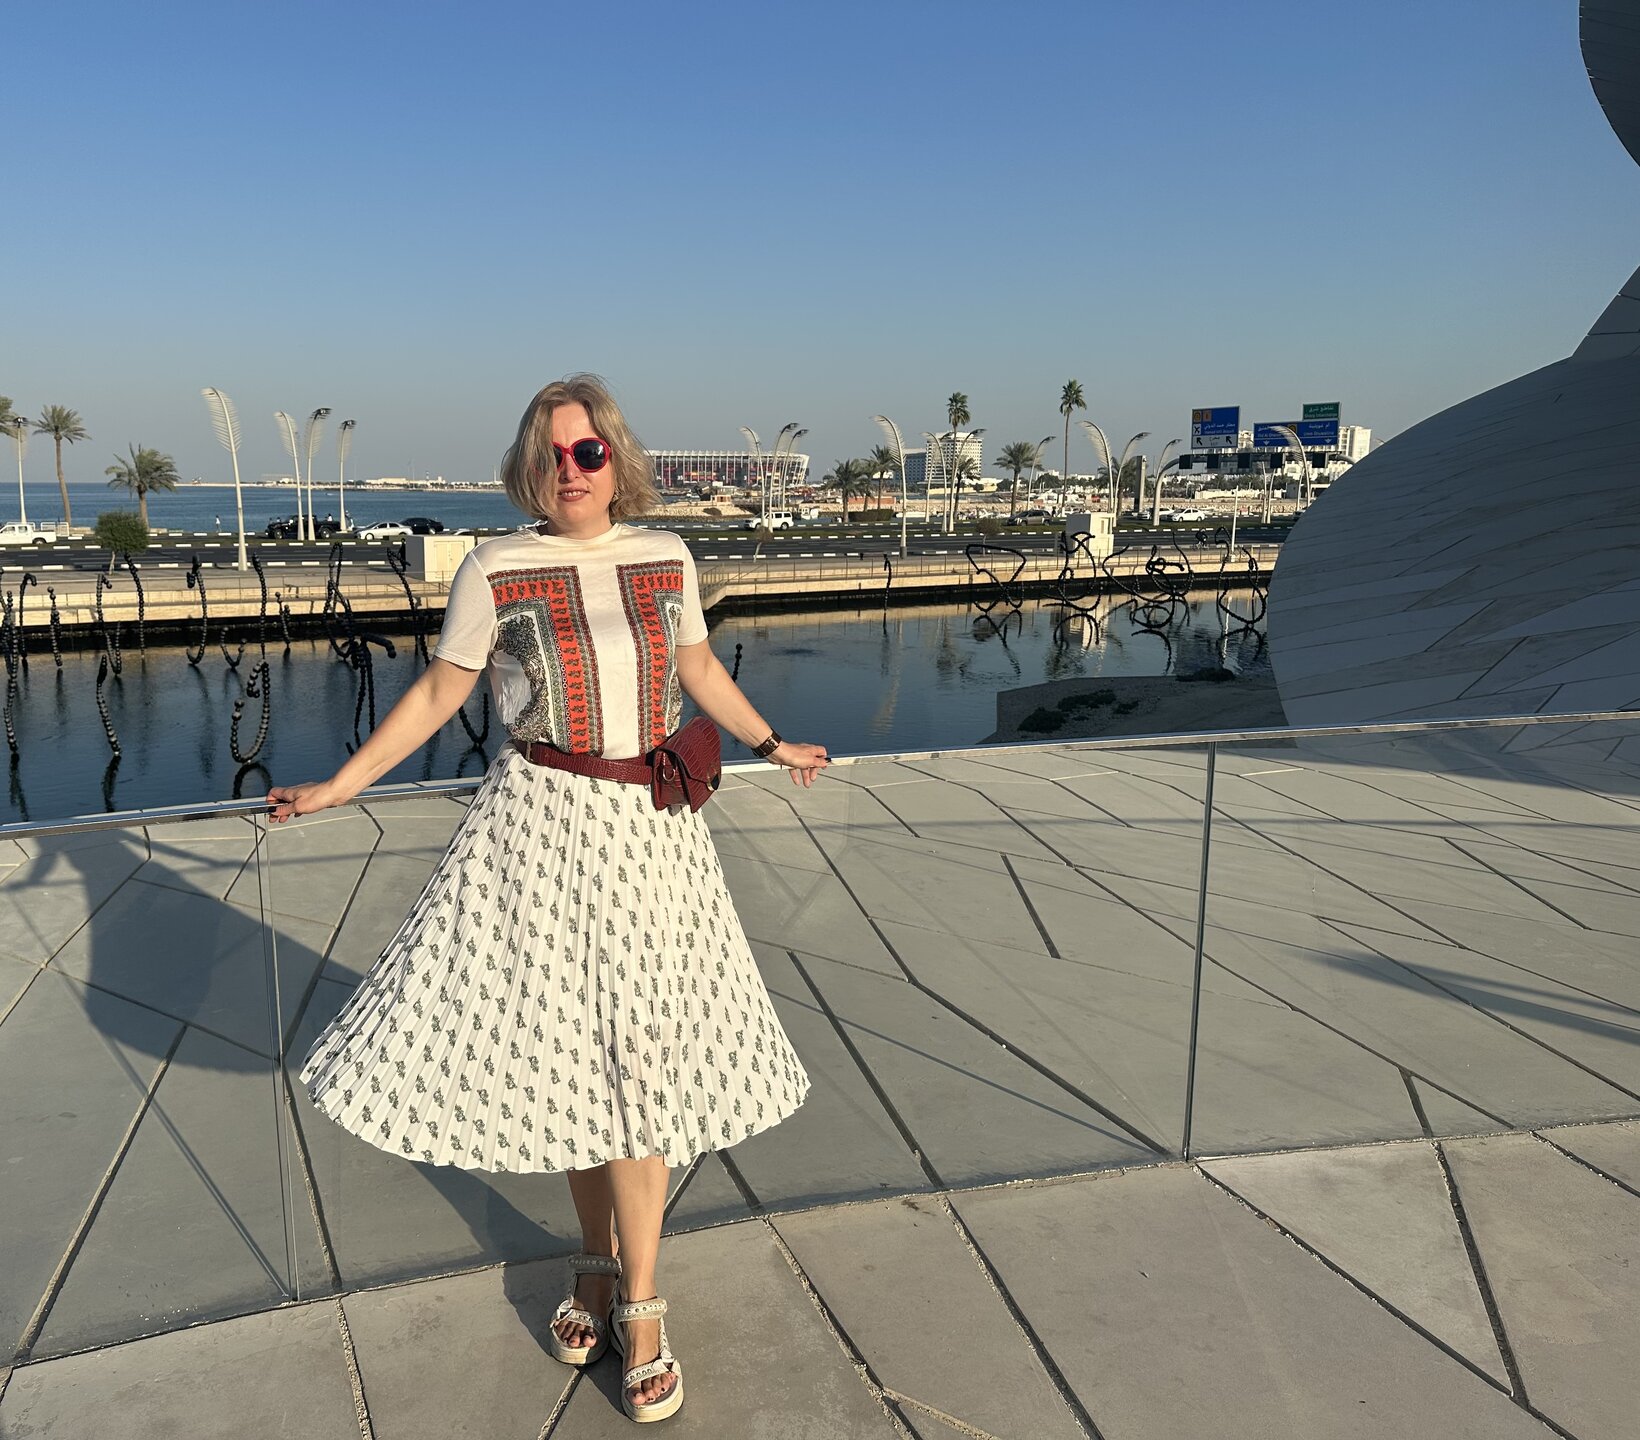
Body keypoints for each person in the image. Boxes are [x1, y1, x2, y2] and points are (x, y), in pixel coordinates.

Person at [268, 375, 825, 1424]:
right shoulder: (496, 566)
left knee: (640, 1058)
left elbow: (698, 669)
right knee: (576, 1056)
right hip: (539, 826)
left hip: (650, 834)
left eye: (587, 452)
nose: (570, 470)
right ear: (529, 467)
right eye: (551, 454)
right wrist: (341, 785)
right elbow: (441, 691)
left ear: (616, 458)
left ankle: (641, 1303)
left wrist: (770, 740)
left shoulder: (665, 555)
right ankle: (595, 1265)